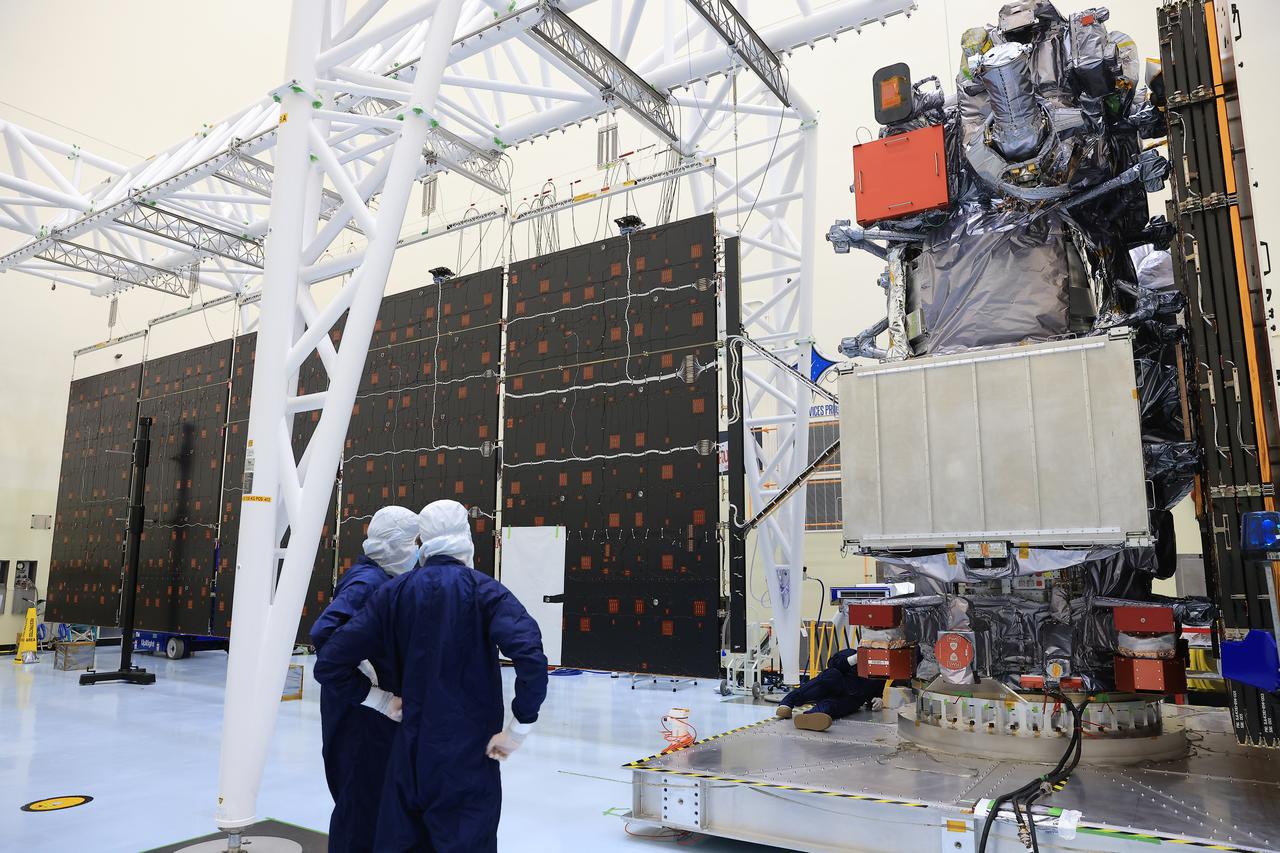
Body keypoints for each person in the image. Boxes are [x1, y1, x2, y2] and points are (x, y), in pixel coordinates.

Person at [314, 499, 548, 853]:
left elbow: (330, 660)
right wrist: (518, 729)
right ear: (466, 537)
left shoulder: (392, 593)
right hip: (468, 755)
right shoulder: (487, 593)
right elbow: (531, 657)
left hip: (406, 753)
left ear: (422, 540)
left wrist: (379, 699)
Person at [309, 505, 420, 853]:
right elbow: (324, 634)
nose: (417, 550)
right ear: (396, 544)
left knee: (372, 803)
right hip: (358, 716)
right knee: (359, 807)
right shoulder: (368, 583)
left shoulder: (378, 578)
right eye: (413, 542)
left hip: (365, 715)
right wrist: (374, 693)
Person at [775, 648, 885, 732]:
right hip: (833, 684)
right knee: (830, 676)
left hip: (851, 698)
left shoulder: (880, 672)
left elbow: (875, 693)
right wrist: (854, 659)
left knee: (831, 706)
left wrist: (878, 699)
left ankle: (811, 716)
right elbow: (832, 664)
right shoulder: (849, 654)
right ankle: (788, 702)